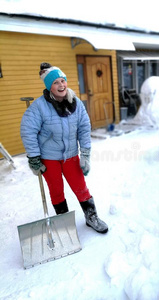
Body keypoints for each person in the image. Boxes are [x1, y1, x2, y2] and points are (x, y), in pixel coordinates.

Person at [20, 62, 108, 234]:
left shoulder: (76, 104)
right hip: (49, 157)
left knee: (81, 187)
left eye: (63, 80)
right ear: (49, 86)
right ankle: (64, 222)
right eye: (56, 82)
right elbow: (28, 131)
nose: (61, 85)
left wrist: (86, 154)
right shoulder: (39, 106)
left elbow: (84, 128)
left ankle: (91, 217)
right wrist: (34, 157)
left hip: (71, 155)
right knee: (56, 190)